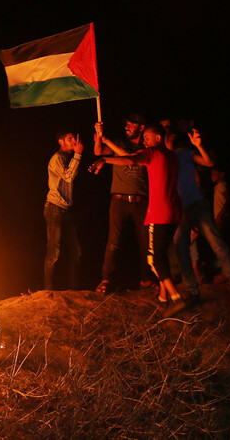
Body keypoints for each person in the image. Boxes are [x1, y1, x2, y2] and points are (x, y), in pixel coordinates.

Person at [91, 124, 185, 317]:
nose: (144, 141)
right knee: (162, 254)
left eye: (148, 138)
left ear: (158, 138)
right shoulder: (172, 156)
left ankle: (177, 297)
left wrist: (105, 159)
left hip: (159, 213)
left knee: (153, 259)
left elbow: (131, 160)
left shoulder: (152, 153)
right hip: (175, 212)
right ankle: (163, 298)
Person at [172, 129, 230, 306]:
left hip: (196, 205)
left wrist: (199, 146)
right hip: (180, 208)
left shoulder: (184, 153)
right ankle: (193, 290)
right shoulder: (160, 156)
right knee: (181, 248)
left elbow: (209, 162)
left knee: (216, 242)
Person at [92, 114, 150, 294]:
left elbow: (131, 158)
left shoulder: (146, 148)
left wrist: (106, 140)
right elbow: (98, 152)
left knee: (146, 242)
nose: (128, 126)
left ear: (141, 127)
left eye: (133, 123)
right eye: (127, 123)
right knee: (114, 242)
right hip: (119, 200)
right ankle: (106, 279)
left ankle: (147, 280)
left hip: (142, 201)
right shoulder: (118, 143)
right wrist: (99, 138)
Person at [43, 129, 84, 290]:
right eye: (69, 138)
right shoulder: (58, 158)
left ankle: (73, 288)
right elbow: (68, 176)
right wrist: (78, 154)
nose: (74, 141)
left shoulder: (67, 157)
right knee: (54, 251)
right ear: (61, 141)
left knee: (75, 251)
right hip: (54, 208)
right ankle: (48, 289)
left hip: (66, 209)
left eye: (74, 138)